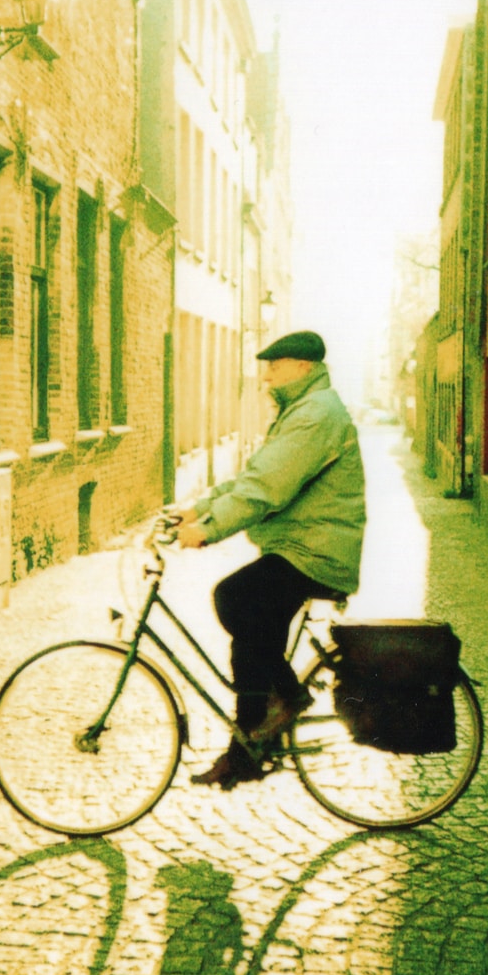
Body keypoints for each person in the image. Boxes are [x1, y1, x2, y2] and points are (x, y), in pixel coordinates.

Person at [175, 329, 366, 789]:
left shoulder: (316, 415)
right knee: (252, 629)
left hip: (316, 550)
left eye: (274, 367)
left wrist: (209, 529)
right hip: (299, 545)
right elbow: (256, 473)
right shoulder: (301, 410)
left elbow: (268, 488)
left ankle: (289, 700)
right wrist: (199, 507)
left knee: (236, 598)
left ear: (303, 367)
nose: (265, 377)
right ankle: (248, 747)